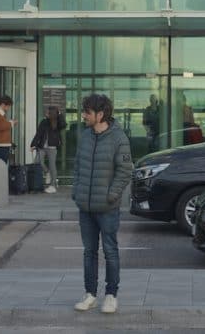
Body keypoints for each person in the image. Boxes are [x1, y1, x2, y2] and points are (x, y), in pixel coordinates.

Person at [72, 94, 132, 315]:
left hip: (107, 208)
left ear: (100, 114)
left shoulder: (119, 138)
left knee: (110, 251)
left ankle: (111, 295)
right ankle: (90, 295)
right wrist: (76, 192)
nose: (84, 115)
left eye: (87, 112)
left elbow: (126, 170)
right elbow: (78, 166)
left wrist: (112, 194)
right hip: (85, 208)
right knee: (89, 252)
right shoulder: (86, 136)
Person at [31, 105, 66, 193]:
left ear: (52, 113)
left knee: (52, 165)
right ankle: (47, 172)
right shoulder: (44, 121)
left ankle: (53, 185)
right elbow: (38, 134)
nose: (46, 113)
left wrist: (59, 114)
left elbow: (64, 124)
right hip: (42, 146)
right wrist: (33, 144)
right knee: (38, 161)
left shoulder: (57, 122)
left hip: (52, 147)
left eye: (48, 112)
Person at [0, 95, 16, 163]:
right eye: (8, 106)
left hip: (2, 144)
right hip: (0, 145)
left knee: (1, 164)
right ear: (3, 104)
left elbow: (0, 125)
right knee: (0, 165)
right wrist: (11, 123)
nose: (9, 108)